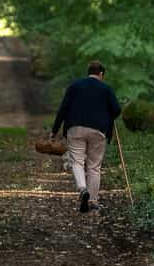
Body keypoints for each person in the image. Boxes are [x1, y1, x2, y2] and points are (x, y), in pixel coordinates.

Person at [52, 61, 122, 213]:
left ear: (88, 72)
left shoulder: (75, 86)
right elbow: (117, 110)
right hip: (98, 131)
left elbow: (63, 109)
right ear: (101, 74)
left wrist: (54, 131)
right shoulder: (106, 89)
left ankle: (83, 189)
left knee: (77, 161)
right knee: (94, 166)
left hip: (75, 128)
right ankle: (94, 202)